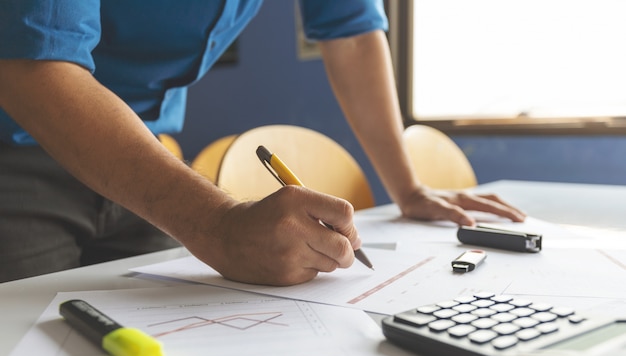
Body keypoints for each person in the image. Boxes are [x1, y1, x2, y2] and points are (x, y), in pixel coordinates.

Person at [0, 0, 525, 285]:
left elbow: (353, 32)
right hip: (16, 154)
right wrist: (216, 225)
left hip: (143, 159)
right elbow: (33, 65)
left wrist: (408, 188)